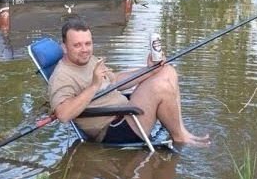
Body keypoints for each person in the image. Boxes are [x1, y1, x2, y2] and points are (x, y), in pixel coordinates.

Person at [49, 18, 210, 146]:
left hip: (125, 111)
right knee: (161, 88)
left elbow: (115, 80)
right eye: (77, 45)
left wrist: (149, 70)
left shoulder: (89, 59)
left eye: (88, 43)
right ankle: (180, 138)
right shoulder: (62, 76)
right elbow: (63, 115)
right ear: (64, 47)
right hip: (114, 129)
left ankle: (181, 130)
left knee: (167, 70)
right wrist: (94, 85)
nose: (85, 49)